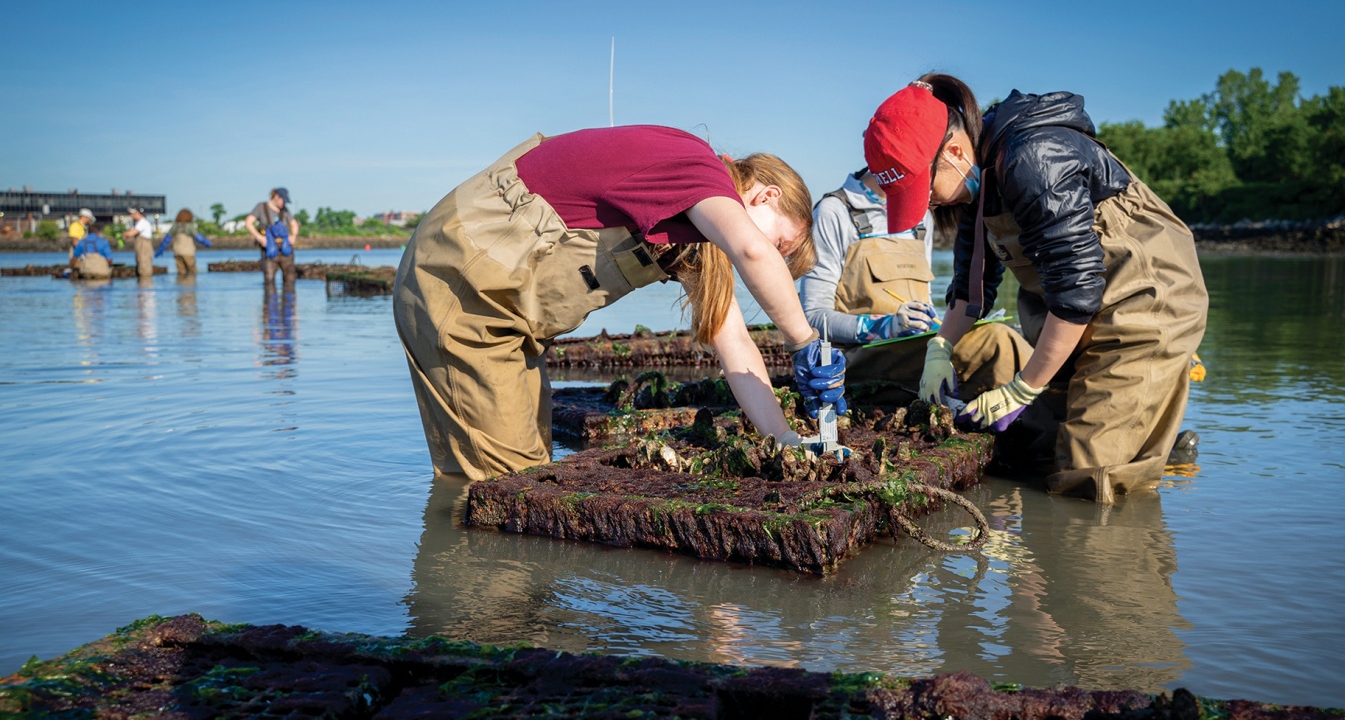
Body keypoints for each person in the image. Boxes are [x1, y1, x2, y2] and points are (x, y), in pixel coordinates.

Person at [393, 125, 847, 479]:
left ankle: (464, 574)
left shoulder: (694, 238)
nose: (771, 259)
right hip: (463, 288)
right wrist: (803, 341)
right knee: (510, 478)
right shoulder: (695, 166)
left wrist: (784, 437)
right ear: (767, 195)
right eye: (782, 245)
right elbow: (751, 249)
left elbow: (735, 346)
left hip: (505, 318)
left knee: (513, 459)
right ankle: (493, 599)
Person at [864, 74, 1208, 503]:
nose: (931, 205)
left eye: (926, 191)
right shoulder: (976, 179)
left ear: (953, 152)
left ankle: (1146, 457)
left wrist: (1023, 387)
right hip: (1074, 311)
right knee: (1032, 447)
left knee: (1084, 474)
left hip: (1143, 304)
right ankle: (1153, 441)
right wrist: (940, 349)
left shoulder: (1034, 159)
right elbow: (972, 290)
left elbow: (1076, 293)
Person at [798, 167, 940, 388]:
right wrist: (887, 326)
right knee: (996, 342)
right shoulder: (833, 212)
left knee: (986, 338)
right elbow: (814, 317)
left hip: (917, 350)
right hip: (856, 359)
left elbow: (927, 301)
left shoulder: (923, 216)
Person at [244, 187, 299, 286]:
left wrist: (293, 236)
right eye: (283, 200)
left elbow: (294, 224)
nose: (284, 203)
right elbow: (248, 222)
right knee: (269, 279)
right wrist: (259, 237)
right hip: (268, 248)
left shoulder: (285, 210)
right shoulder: (261, 207)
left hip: (285, 248)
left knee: (290, 278)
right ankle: (269, 300)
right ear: (276, 196)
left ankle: (290, 300)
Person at [155, 208, 213, 275]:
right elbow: (199, 238)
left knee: (181, 272)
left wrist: (161, 249)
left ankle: (181, 284)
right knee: (192, 272)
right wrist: (208, 244)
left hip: (177, 252)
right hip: (188, 252)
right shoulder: (189, 227)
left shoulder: (175, 227)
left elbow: (166, 239)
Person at [122, 207, 155, 278]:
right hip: (141, 247)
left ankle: (145, 286)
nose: (130, 216)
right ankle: (142, 286)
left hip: (144, 247)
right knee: (141, 265)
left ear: (137, 213)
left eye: (132, 214)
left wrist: (124, 234)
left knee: (144, 267)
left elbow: (131, 233)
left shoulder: (143, 222)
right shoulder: (138, 223)